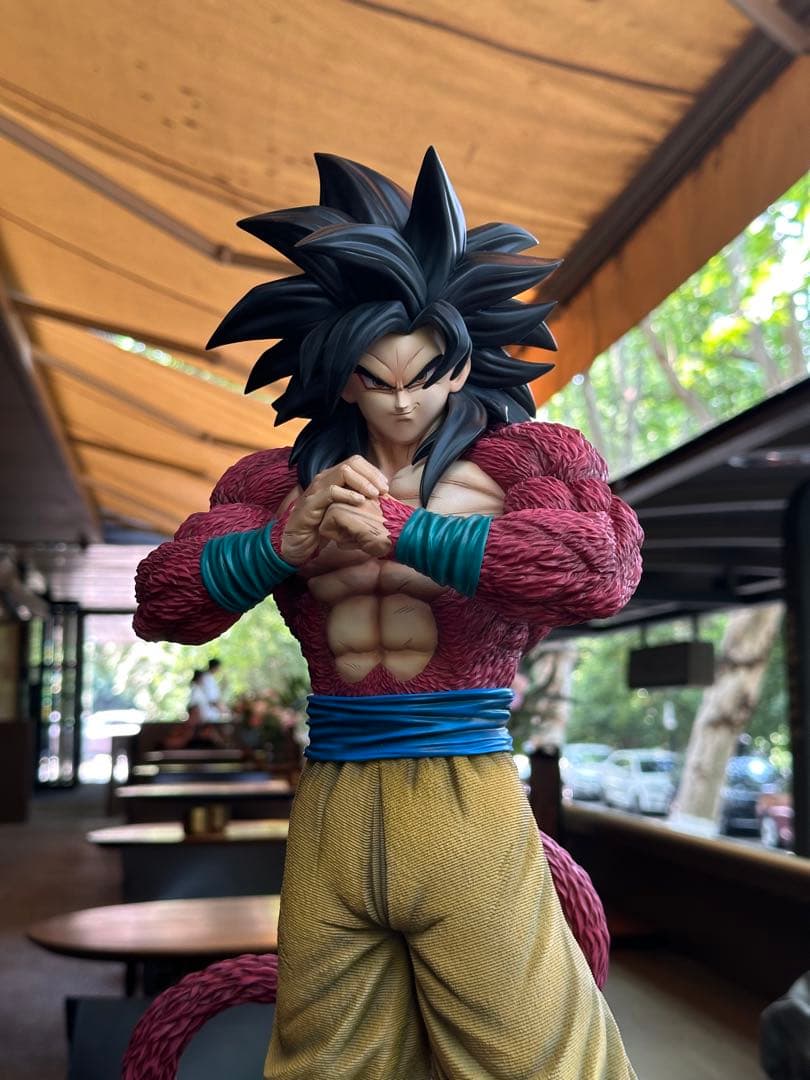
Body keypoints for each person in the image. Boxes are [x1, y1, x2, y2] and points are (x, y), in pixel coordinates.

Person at [134, 148, 643, 1079]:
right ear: (340, 378)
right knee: (323, 1065)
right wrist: (279, 547)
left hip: (465, 792)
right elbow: (163, 601)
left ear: (463, 363)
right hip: (331, 800)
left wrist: (409, 533)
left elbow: (599, 569)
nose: (404, 401)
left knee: (537, 1060)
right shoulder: (277, 484)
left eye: (425, 373)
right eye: (376, 378)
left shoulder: (526, 462)